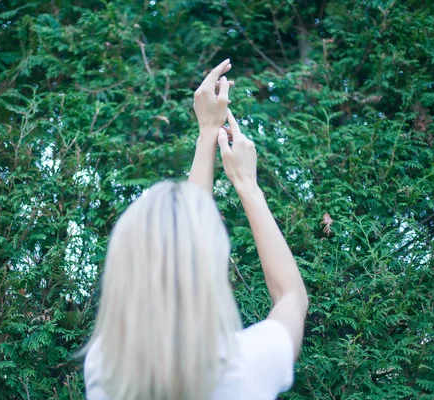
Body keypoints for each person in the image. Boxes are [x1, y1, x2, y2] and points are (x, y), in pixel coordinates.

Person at [82, 59, 309, 400]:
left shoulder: (105, 369)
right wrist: (247, 184)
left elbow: (183, 244)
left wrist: (207, 134)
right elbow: (292, 297)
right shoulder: (247, 364)